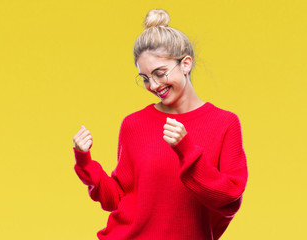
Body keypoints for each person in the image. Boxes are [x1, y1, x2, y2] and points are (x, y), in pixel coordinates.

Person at [72, 8, 248, 240]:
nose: (153, 86)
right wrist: (85, 162)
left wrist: (186, 150)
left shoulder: (225, 123)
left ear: (186, 64)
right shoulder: (133, 125)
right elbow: (116, 198)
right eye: (145, 78)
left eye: (160, 73)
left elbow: (229, 198)